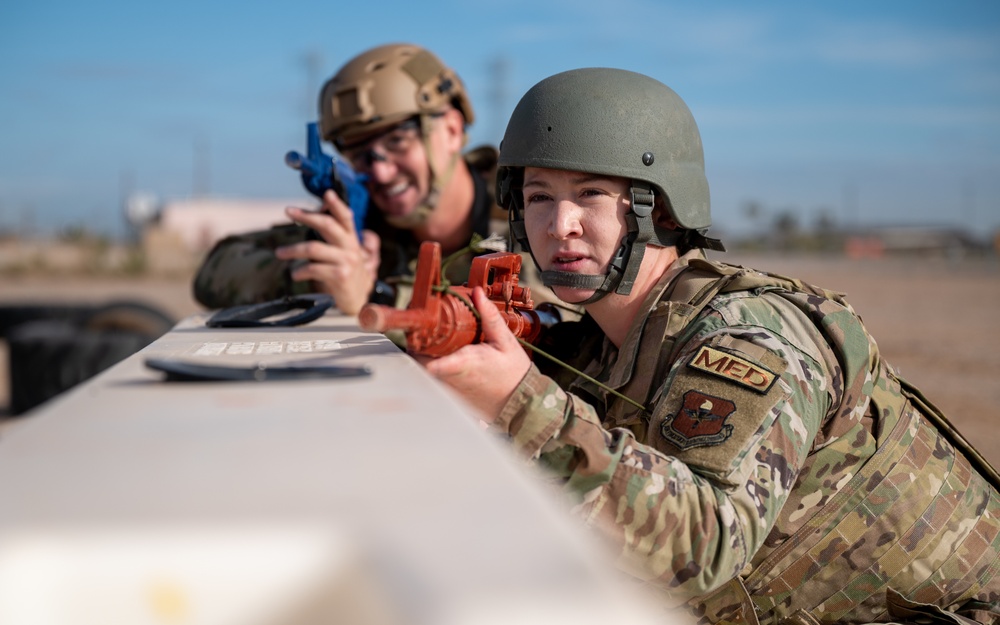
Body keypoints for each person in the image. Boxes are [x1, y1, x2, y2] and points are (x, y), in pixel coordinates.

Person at [423, 67, 1000, 624]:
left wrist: (520, 404)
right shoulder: (599, 345)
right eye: (539, 196)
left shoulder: (749, 339)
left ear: (662, 210)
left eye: (592, 193)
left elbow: (708, 542)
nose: (560, 224)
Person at [192, 43, 507, 315]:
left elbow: (537, 335)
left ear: (451, 130)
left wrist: (372, 299)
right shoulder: (365, 220)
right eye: (358, 153)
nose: (381, 172)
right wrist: (321, 276)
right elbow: (215, 271)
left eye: (397, 141)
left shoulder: (530, 214)